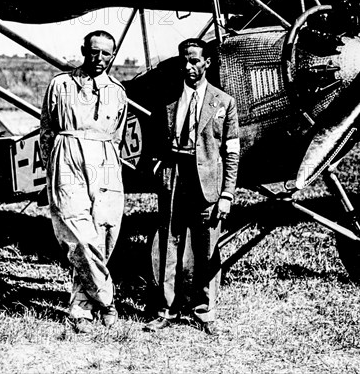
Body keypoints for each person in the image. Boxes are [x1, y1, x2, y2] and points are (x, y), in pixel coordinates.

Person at [144, 38, 239, 335]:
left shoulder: (224, 102)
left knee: (206, 247)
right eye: (185, 60)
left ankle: (205, 310)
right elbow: (155, 143)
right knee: (169, 244)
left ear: (207, 63)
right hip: (174, 180)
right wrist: (159, 169)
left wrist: (226, 194)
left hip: (207, 183)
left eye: (196, 61)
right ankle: (166, 309)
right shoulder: (169, 100)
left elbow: (232, 153)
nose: (189, 66)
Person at [40, 30, 128, 333]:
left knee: (104, 231)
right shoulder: (60, 84)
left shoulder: (118, 90)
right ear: (83, 50)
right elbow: (47, 132)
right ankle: (107, 298)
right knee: (78, 234)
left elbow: (117, 134)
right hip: (67, 156)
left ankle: (81, 307)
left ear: (113, 56)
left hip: (105, 159)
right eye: (94, 52)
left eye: (106, 53)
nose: (99, 59)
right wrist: (49, 169)